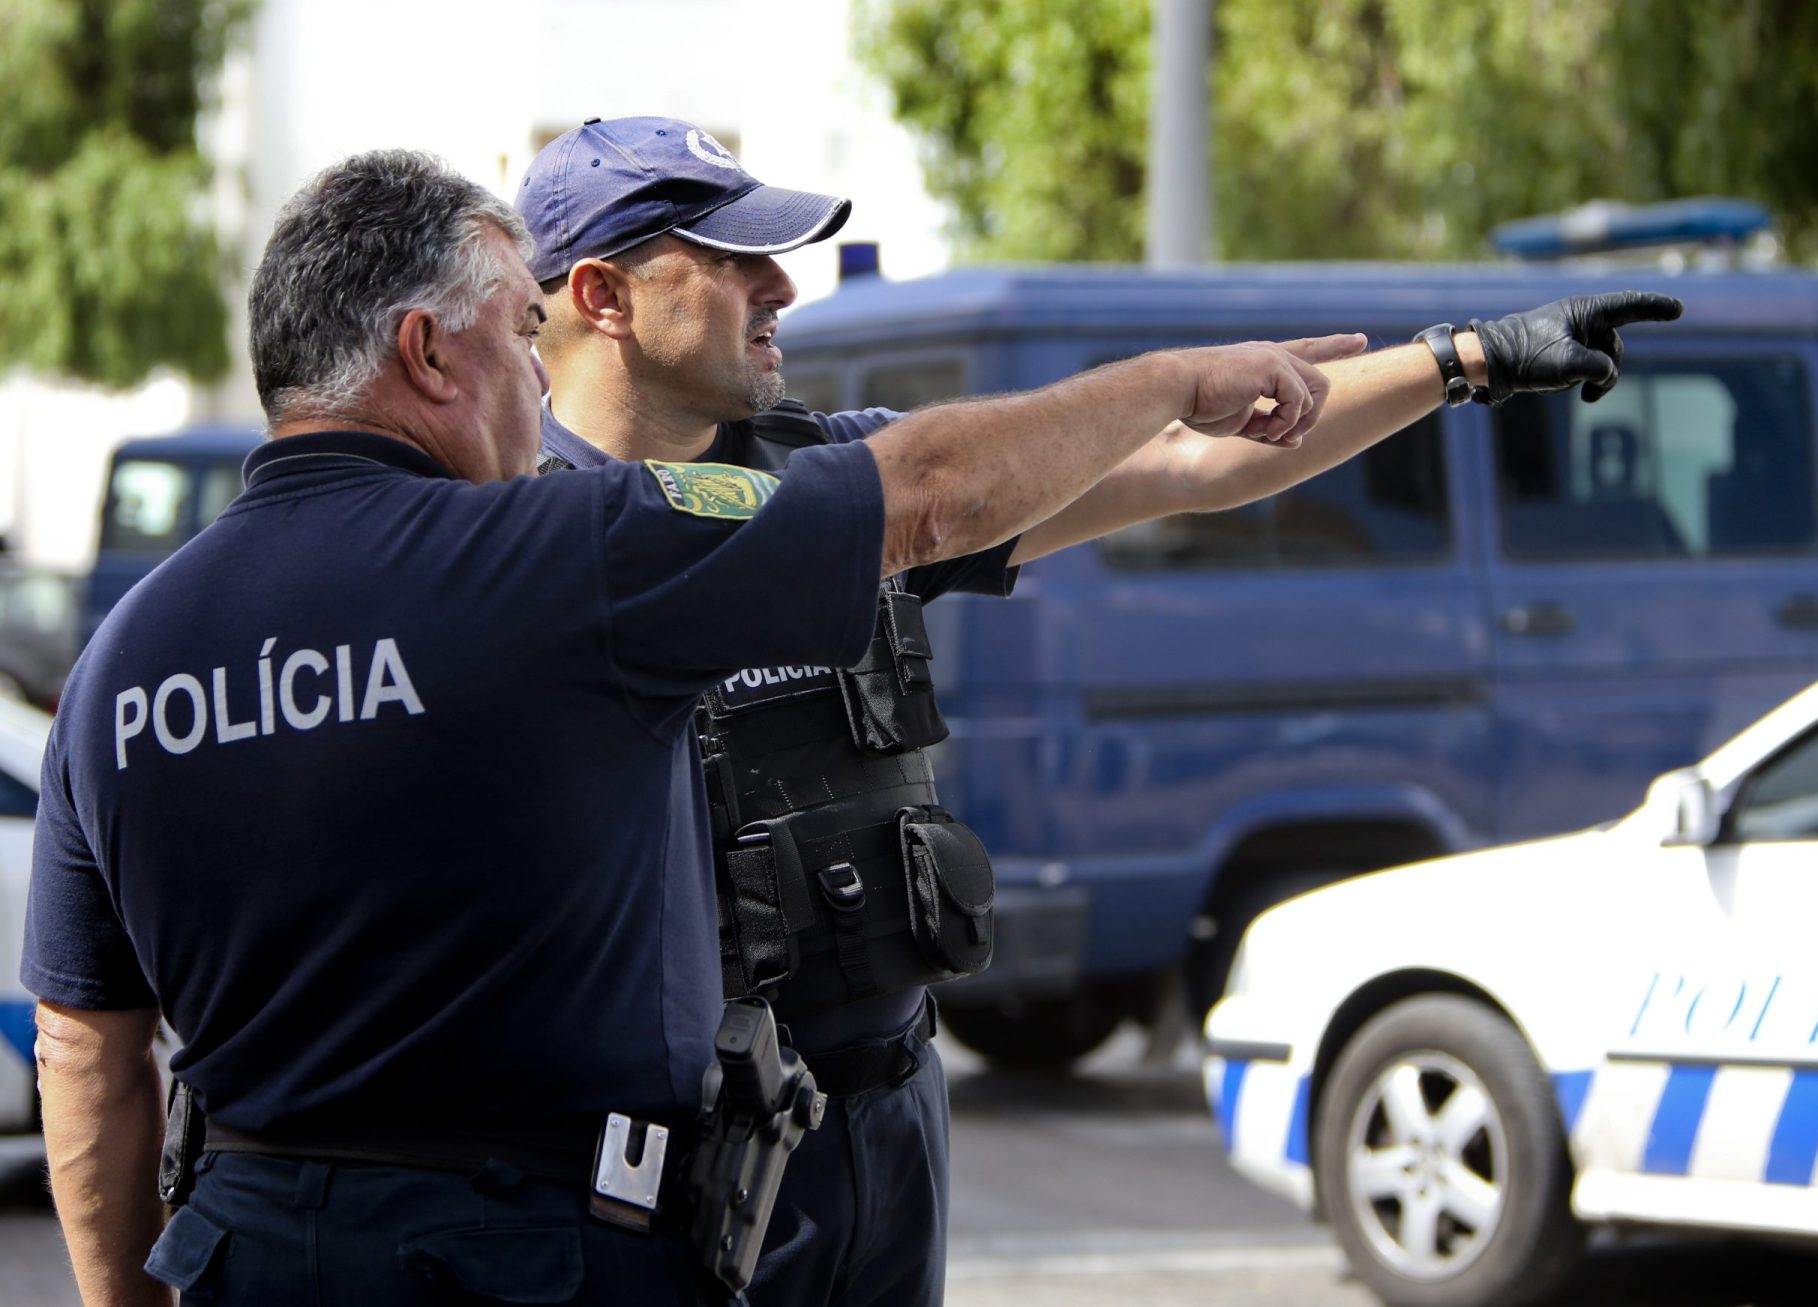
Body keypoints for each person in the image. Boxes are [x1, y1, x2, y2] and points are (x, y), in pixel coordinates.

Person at [21, 145, 1354, 1306]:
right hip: (538, 1253)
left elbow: (86, 1043)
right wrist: (1175, 378)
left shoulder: (121, 663)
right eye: (516, 332)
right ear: (430, 351)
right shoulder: (556, 550)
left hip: (253, 1252)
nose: (539, 386)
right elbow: (930, 496)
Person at [515, 115, 1683, 1307]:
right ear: (603, 293)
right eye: (729, 260)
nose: (781, 286)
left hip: (882, 1116)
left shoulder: (829, 477)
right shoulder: (498, 548)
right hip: (676, 1157)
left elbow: (1195, 461)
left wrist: (1464, 359)